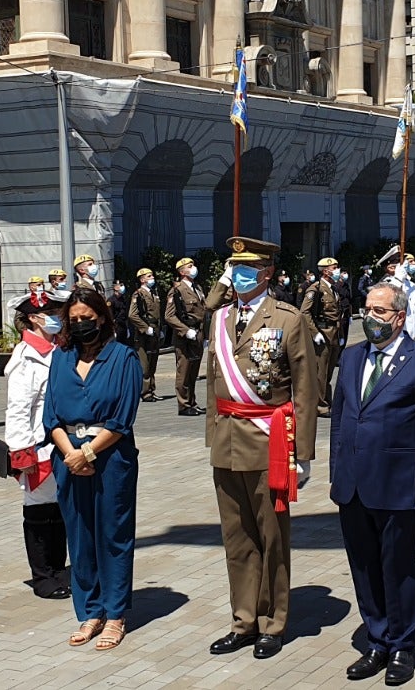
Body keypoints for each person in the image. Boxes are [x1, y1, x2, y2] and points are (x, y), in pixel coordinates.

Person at [329, 283, 415, 686]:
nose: (370, 317)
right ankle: (377, 641)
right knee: (363, 568)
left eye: (380, 311)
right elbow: (341, 421)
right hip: (353, 486)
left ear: (399, 317)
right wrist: (337, 473)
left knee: (396, 568)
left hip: (399, 486)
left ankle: (402, 645)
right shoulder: (349, 358)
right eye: (367, 309)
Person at [202, 236, 319, 660]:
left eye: (247, 267)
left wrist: (301, 453)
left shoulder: (287, 319)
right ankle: (243, 619)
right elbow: (215, 383)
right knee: (236, 538)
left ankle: (272, 622)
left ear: (267, 272)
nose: (238, 274)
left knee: (271, 537)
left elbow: (306, 388)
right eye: (233, 266)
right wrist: (213, 436)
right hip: (227, 441)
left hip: (270, 441)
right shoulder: (220, 318)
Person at [46, 287, 142, 650]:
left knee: (112, 535)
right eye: (74, 320)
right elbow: (51, 414)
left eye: (87, 318)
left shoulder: (123, 358)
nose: (81, 325)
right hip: (68, 457)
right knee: (80, 537)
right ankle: (90, 612)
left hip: (111, 459)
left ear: (101, 317)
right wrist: (71, 454)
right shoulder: (61, 357)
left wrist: (87, 454)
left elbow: (121, 418)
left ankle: (115, 614)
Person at [4, 287, 72, 601]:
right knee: (39, 510)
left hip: (60, 441)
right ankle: (43, 575)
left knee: (57, 509)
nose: (59, 319)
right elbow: (18, 408)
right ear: (34, 318)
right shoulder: (26, 357)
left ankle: (59, 569)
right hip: (37, 445)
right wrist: (20, 452)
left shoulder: (55, 348)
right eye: (53, 314)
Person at [163, 257, 208, 417]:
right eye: (189, 266)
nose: (193, 268)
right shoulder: (177, 290)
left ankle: (192, 402)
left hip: (198, 334)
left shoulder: (197, 287)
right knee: (184, 371)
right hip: (185, 336)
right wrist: (185, 330)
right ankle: (183, 405)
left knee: (193, 371)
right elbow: (169, 316)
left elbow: (203, 311)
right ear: (182, 272)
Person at [300, 257, 342, 415]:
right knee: (320, 372)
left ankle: (326, 400)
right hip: (322, 334)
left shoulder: (333, 288)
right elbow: (304, 312)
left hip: (334, 334)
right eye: (334, 267)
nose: (337, 270)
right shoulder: (315, 288)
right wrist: (315, 333)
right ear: (326, 271)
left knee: (329, 370)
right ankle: (320, 405)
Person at [128, 268, 163, 402]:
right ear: (142, 279)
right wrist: (144, 327)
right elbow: (132, 315)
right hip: (144, 332)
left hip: (154, 329)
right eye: (149, 276)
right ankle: (145, 392)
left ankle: (151, 389)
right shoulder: (139, 294)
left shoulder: (153, 293)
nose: (152, 278)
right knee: (145, 364)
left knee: (153, 360)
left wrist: (159, 329)